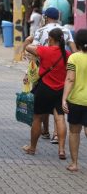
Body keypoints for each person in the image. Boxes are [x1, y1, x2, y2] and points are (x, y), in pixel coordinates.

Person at [23, 6, 77, 143]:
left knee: (41, 108)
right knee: (59, 109)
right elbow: (74, 51)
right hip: (62, 71)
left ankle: (45, 131)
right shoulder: (66, 30)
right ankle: (56, 135)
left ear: (46, 17)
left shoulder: (40, 31)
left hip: (44, 72)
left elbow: (33, 53)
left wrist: (28, 72)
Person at [24, 28, 70, 159]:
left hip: (44, 89)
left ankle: (32, 148)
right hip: (60, 91)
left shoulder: (44, 50)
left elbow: (28, 48)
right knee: (60, 118)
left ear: (50, 39)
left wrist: (29, 40)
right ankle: (61, 150)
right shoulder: (67, 54)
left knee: (37, 118)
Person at [62, 29, 87, 172]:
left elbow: (70, 79)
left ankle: (74, 163)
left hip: (77, 100)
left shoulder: (73, 58)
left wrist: (64, 99)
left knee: (74, 131)